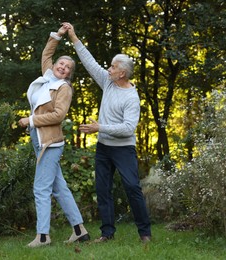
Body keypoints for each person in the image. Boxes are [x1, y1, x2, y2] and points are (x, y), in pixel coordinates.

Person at [63, 22, 151, 243]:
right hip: (104, 148)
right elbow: (89, 61)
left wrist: (99, 127)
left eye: (112, 67)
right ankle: (107, 234)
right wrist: (73, 36)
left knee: (132, 187)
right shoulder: (108, 83)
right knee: (103, 190)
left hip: (123, 149)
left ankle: (145, 233)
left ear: (122, 73)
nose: (108, 69)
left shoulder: (132, 97)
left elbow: (128, 129)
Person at [18, 25, 90, 248]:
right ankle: (80, 230)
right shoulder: (48, 77)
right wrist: (59, 35)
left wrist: (30, 120)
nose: (63, 67)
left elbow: (58, 115)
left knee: (41, 188)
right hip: (39, 139)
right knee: (59, 187)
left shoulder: (63, 88)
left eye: (68, 67)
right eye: (61, 63)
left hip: (50, 143)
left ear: (69, 73)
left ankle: (42, 236)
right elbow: (46, 53)